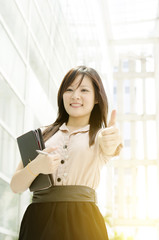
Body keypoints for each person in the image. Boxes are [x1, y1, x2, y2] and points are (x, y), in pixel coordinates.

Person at [10, 66, 123, 240]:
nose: (75, 96)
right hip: (38, 220)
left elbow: (110, 146)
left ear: (96, 99)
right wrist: (36, 166)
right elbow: (16, 186)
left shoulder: (100, 136)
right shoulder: (42, 134)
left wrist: (112, 139)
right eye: (69, 89)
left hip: (83, 220)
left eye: (84, 90)